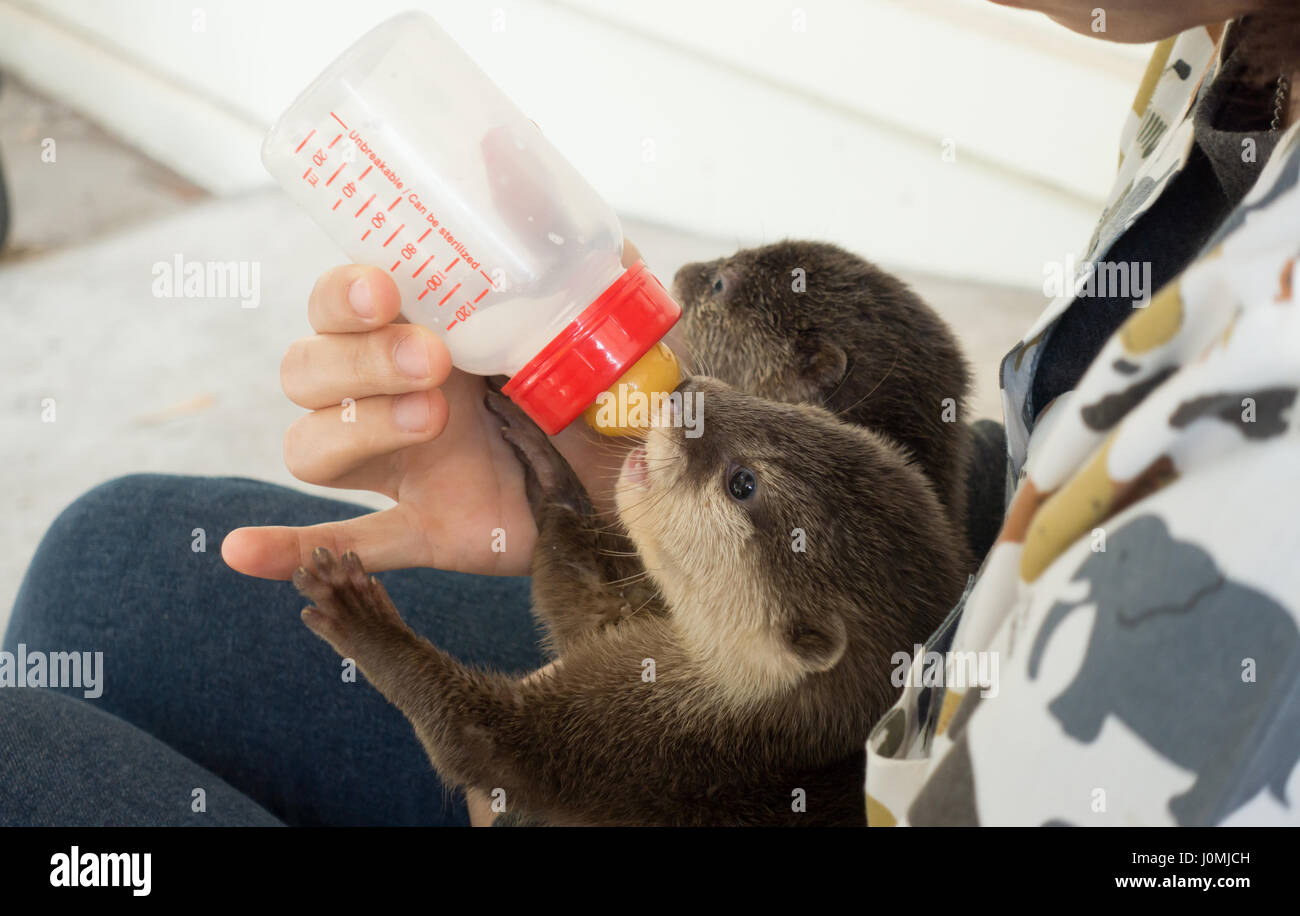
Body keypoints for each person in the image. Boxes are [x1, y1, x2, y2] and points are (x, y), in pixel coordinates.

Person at [3, 0, 1298, 827]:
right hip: (879, 710)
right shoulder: (1225, 49)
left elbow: (506, 750)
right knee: (106, 569)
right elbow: (1039, 490)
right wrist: (595, 474)